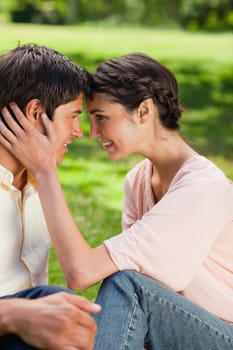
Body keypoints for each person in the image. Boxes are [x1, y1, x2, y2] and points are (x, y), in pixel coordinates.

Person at [0, 52, 232, 350]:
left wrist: (45, 172)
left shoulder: (202, 188)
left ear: (144, 112)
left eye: (100, 118)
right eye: (79, 116)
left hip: (219, 333)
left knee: (124, 285)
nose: (89, 133)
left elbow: (87, 273)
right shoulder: (138, 181)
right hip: (170, 329)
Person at [0, 44, 100, 350]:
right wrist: (17, 314)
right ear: (35, 113)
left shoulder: (39, 183)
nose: (79, 131)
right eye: (73, 116)